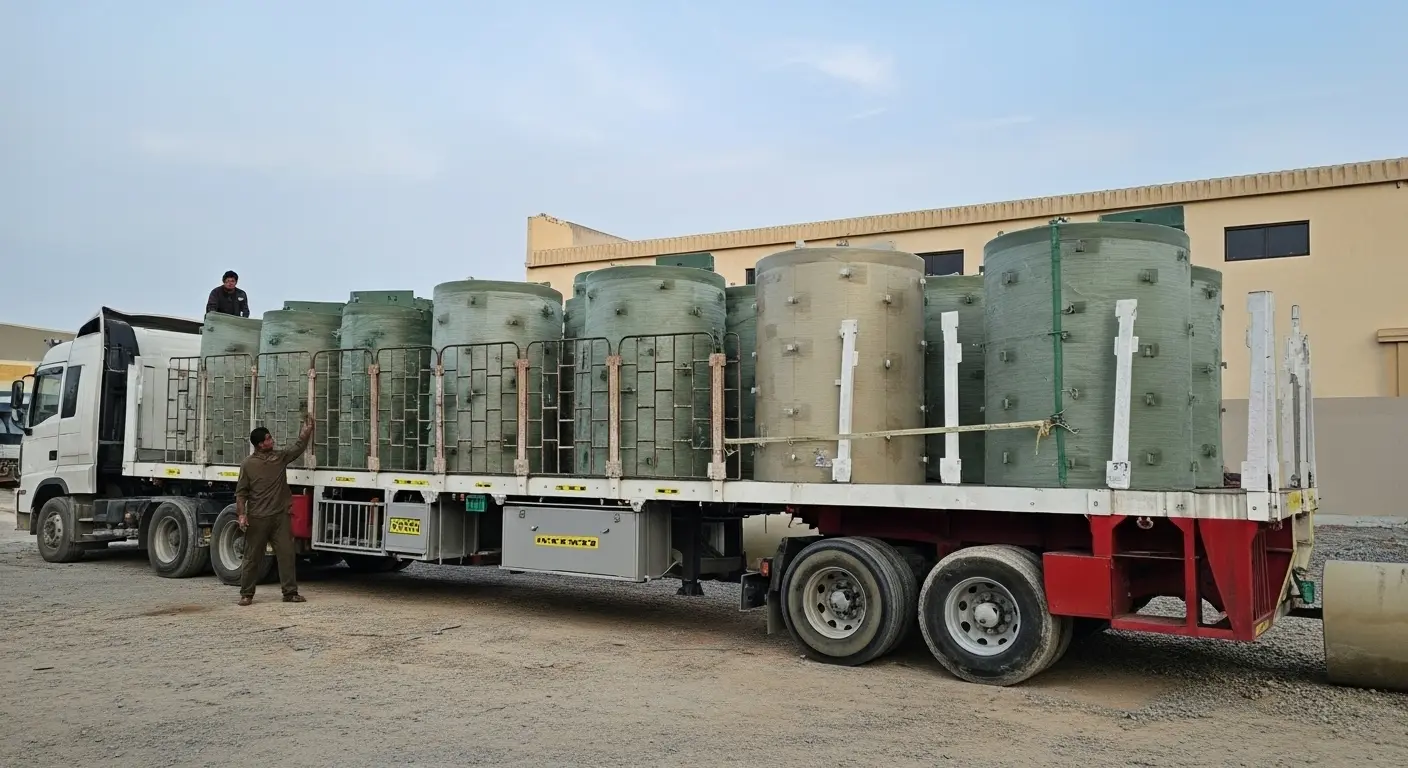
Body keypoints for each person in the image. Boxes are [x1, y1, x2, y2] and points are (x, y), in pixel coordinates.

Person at [234, 414, 314, 605]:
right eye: (268, 439)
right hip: (258, 518)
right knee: (252, 557)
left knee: (287, 554)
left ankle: (290, 592)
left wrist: (306, 432)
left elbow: (297, 448)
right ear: (260, 444)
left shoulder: (279, 457)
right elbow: (241, 493)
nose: (272, 440)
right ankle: (246, 594)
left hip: (280, 517)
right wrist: (241, 515)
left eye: (270, 437)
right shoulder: (248, 464)